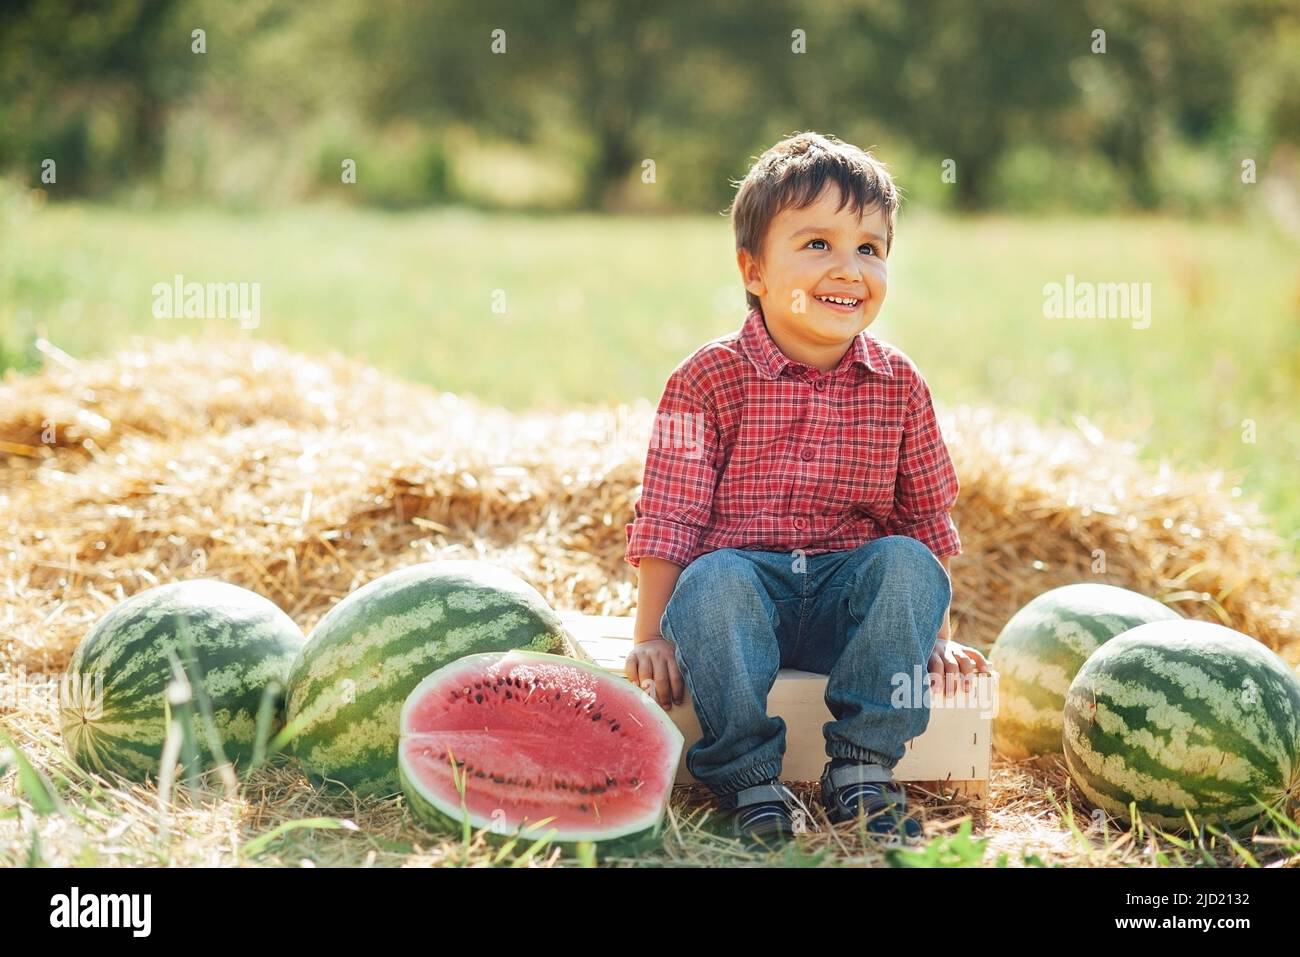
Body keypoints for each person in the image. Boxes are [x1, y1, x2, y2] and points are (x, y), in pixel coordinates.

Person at [623, 131, 991, 848]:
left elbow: (924, 520)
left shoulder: (900, 385)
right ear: (753, 270)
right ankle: (747, 775)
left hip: (845, 606)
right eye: (817, 244)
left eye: (870, 248)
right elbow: (668, 514)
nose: (848, 268)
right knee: (717, 578)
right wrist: (650, 636)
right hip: (738, 604)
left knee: (907, 564)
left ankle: (861, 766)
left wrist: (932, 641)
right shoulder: (705, 380)